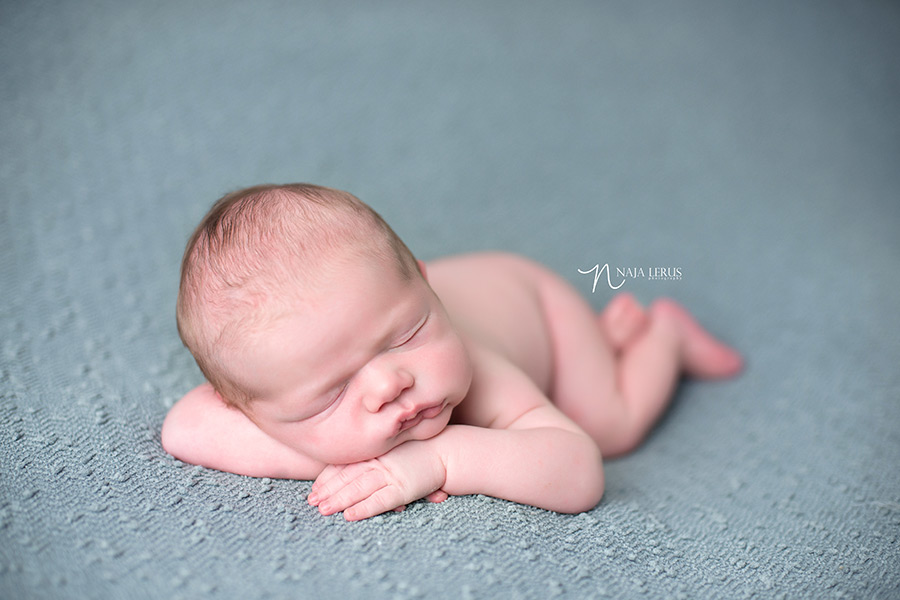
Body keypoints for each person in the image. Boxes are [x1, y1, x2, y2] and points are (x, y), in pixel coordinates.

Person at [161, 183, 743, 521]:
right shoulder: (273, 398)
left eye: (405, 335)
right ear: (250, 408)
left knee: (608, 424)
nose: (390, 384)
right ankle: (611, 336)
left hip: (536, 305)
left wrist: (437, 460)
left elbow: (579, 470)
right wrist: (332, 452)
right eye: (333, 393)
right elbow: (183, 428)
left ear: (423, 285)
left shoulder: (478, 369)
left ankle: (662, 337)